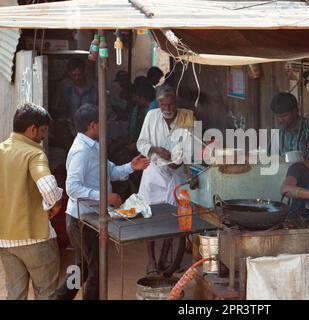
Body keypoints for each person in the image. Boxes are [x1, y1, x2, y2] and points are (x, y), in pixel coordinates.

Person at [54, 104, 150, 300]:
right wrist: (105, 196)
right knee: (95, 271)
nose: (106, 126)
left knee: (83, 268)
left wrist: (131, 167)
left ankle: (58, 298)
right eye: (102, 122)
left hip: (88, 218)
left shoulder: (93, 145)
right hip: (81, 220)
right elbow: (72, 188)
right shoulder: (81, 151)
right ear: (93, 125)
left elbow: (110, 171)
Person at [0, 103, 63, 300]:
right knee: (46, 293)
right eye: (43, 130)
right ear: (32, 129)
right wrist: (55, 204)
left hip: (5, 239)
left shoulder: (1, 150)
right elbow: (48, 188)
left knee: (15, 295)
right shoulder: (34, 153)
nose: (43, 136)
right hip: (36, 237)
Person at [137, 84, 194, 274]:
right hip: (154, 172)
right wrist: (156, 150)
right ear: (158, 103)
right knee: (148, 215)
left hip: (176, 173)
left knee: (173, 216)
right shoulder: (151, 116)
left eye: (170, 105)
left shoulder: (186, 116)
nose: (167, 109)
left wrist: (177, 162)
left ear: (176, 102)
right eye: (163, 105)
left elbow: (189, 147)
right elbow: (142, 143)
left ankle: (164, 259)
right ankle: (151, 260)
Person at [269, 92, 309, 159]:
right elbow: (270, 156)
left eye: (284, 115)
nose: (281, 120)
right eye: (278, 117)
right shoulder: (277, 132)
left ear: (295, 111)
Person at [53, 58, 98, 123]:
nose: (76, 78)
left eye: (79, 75)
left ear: (84, 73)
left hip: (91, 128)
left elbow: (105, 110)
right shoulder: (66, 90)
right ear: (69, 74)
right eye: (74, 75)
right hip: (71, 129)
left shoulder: (94, 89)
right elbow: (60, 112)